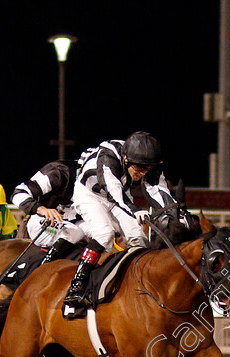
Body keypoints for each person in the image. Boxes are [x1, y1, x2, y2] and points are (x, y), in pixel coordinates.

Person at [62, 131, 175, 319]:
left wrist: (172, 211)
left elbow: (159, 190)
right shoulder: (108, 155)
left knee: (138, 238)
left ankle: (137, 286)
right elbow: (114, 192)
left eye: (148, 168)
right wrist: (135, 209)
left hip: (115, 197)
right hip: (90, 195)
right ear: (125, 158)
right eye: (139, 168)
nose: (143, 173)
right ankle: (76, 286)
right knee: (104, 234)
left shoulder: (145, 161)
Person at [10, 160, 88, 265]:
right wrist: (42, 209)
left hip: (71, 223)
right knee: (75, 232)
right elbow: (18, 193)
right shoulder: (58, 172)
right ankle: (44, 267)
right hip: (40, 221)